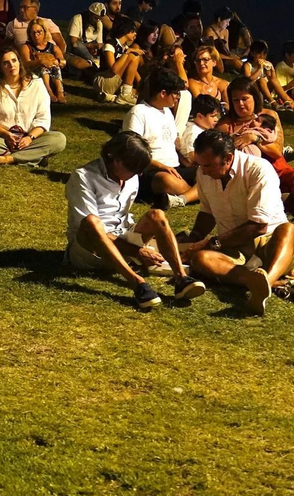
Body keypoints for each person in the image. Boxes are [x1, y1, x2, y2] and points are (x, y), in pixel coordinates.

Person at [65, 131, 205, 309]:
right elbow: (85, 229)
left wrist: (138, 240)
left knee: (157, 215)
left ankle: (181, 279)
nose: (137, 175)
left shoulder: (131, 177)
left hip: (122, 238)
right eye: (133, 169)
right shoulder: (83, 177)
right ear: (114, 158)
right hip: (89, 249)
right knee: (92, 221)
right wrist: (137, 251)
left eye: (140, 170)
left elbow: (123, 215)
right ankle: (137, 283)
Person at [181, 130, 294, 315]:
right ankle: (261, 282)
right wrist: (194, 240)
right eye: (200, 165)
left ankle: (267, 280)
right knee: (201, 259)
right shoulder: (203, 173)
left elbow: (259, 226)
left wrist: (212, 242)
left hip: (271, 244)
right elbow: (207, 212)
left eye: (209, 165)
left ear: (228, 158)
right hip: (235, 248)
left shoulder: (258, 169)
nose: (204, 171)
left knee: (287, 229)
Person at [218, 77, 294, 221]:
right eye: (235, 100)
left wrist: (255, 139)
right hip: (250, 177)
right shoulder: (225, 125)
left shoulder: (269, 116)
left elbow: (277, 151)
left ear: (254, 97)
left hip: (278, 170)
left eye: (245, 98)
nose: (241, 104)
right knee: (270, 192)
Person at [0, 47, 68, 166]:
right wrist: (5, 134)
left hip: (30, 138)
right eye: (6, 63)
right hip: (2, 138)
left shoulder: (36, 84)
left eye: (14, 60)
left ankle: (8, 158)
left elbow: (43, 120)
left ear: (19, 62)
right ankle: (33, 157)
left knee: (59, 139)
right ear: (0, 67)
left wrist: (29, 138)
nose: (11, 65)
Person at [125, 69, 196, 209]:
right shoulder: (138, 112)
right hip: (150, 170)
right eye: (175, 93)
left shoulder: (167, 112)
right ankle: (198, 194)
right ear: (163, 93)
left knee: (206, 173)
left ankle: (183, 197)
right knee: (167, 180)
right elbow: (132, 153)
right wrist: (162, 167)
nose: (177, 97)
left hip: (175, 168)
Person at [95, 18, 144, 106]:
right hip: (104, 80)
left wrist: (142, 85)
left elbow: (132, 69)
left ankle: (111, 97)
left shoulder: (123, 46)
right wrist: (127, 52)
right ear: (125, 30)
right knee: (133, 56)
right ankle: (124, 95)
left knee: (139, 93)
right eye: (133, 31)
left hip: (114, 81)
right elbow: (114, 69)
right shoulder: (110, 45)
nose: (135, 34)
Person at [240, 40, 294, 110]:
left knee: (272, 80)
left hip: (265, 90)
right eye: (259, 53)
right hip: (252, 88)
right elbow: (248, 80)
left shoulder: (266, 64)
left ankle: (286, 101)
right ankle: (273, 103)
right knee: (262, 80)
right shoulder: (248, 65)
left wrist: (271, 70)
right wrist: (259, 69)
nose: (262, 57)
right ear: (252, 53)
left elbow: (273, 80)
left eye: (264, 54)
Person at [26, 22, 66, 103]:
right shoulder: (26, 47)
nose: (36, 35)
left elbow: (63, 62)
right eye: (33, 32)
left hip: (52, 74)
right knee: (43, 65)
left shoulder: (52, 46)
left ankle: (59, 91)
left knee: (54, 64)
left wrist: (56, 61)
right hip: (35, 74)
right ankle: (48, 91)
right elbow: (25, 63)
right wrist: (40, 62)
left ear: (44, 32)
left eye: (39, 32)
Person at [66, 2, 106, 73]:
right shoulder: (78, 18)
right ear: (90, 14)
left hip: (91, 51)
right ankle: (92, 64)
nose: (97, 21)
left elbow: (99, 42)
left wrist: (96, 49)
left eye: (99, 19)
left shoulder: (99, 23)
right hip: (76, 50)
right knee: (78, 45)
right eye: (96, 18)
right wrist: (91, 46)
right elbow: (73, 42)